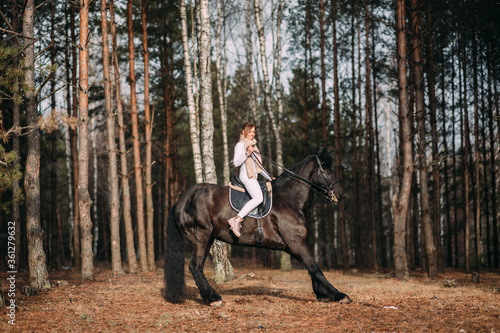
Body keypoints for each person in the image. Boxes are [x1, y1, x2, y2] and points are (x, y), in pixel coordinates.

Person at [228, 122, 273, 237]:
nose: (252, 134)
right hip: (246, 176)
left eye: (254, 132)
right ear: (244, 132)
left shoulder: (253, 145)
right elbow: (237, 162)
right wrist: (247, 153)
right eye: (250, 132)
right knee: (258, 198)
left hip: (253, 176)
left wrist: (269, 177)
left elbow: (258, 167)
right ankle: (237, 219)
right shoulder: (240, 145)